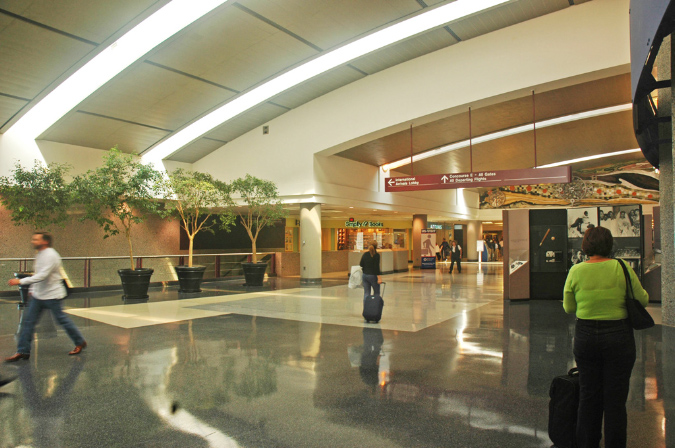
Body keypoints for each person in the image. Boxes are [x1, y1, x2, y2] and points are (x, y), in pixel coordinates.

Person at [563, 226, 648, 448]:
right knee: (616, 401)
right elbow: (643, 300)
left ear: (586, 246)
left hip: (586, 337)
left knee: (588, 396)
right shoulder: (622, 268)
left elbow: (569, 307)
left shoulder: (576, 270)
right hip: (619, 337)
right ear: (610, 245)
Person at [5, 232, 87, 363]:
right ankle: (22, 351)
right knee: (28, 322)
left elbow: (42, 275)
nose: (33, 241)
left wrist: (20, 281)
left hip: (52, 296)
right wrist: (32, 290)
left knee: (62, 320)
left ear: (45, 242)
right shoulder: (40, 254)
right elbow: (37, 274)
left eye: (36, 239)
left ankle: (79, 342)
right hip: (39, 296)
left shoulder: (51, 255)